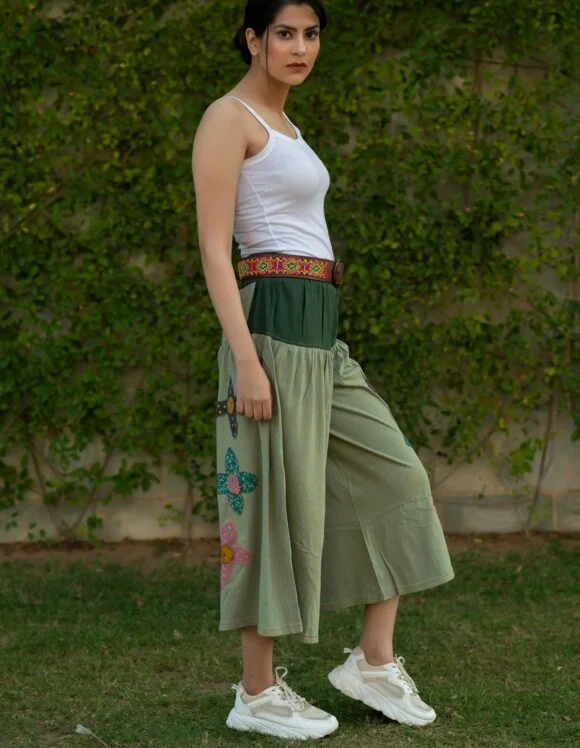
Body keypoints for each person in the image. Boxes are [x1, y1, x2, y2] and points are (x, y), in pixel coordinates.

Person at [191, 0, 455, 740]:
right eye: (284, 34)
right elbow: (214, 248)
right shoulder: (229, 118)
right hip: (270, 331)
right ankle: (255, 693)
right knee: (268, 508)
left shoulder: (289, 127)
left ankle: (372, 661)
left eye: (310, 35)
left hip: (320, 339)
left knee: (399, 476)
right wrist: (247, 360)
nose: (299, 47)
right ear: (253, 39)